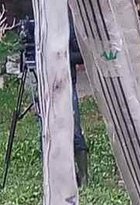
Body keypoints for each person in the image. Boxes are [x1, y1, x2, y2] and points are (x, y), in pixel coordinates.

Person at [18, 6, 89, 187]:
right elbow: (27, 54)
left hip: (66, 85)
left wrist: (59, 56)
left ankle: (83, 177)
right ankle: (53, 176)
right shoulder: (36, 24)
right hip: (45, 86)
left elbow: (82, 56)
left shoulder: (70, 25)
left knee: (74, 131)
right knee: (46, 129)